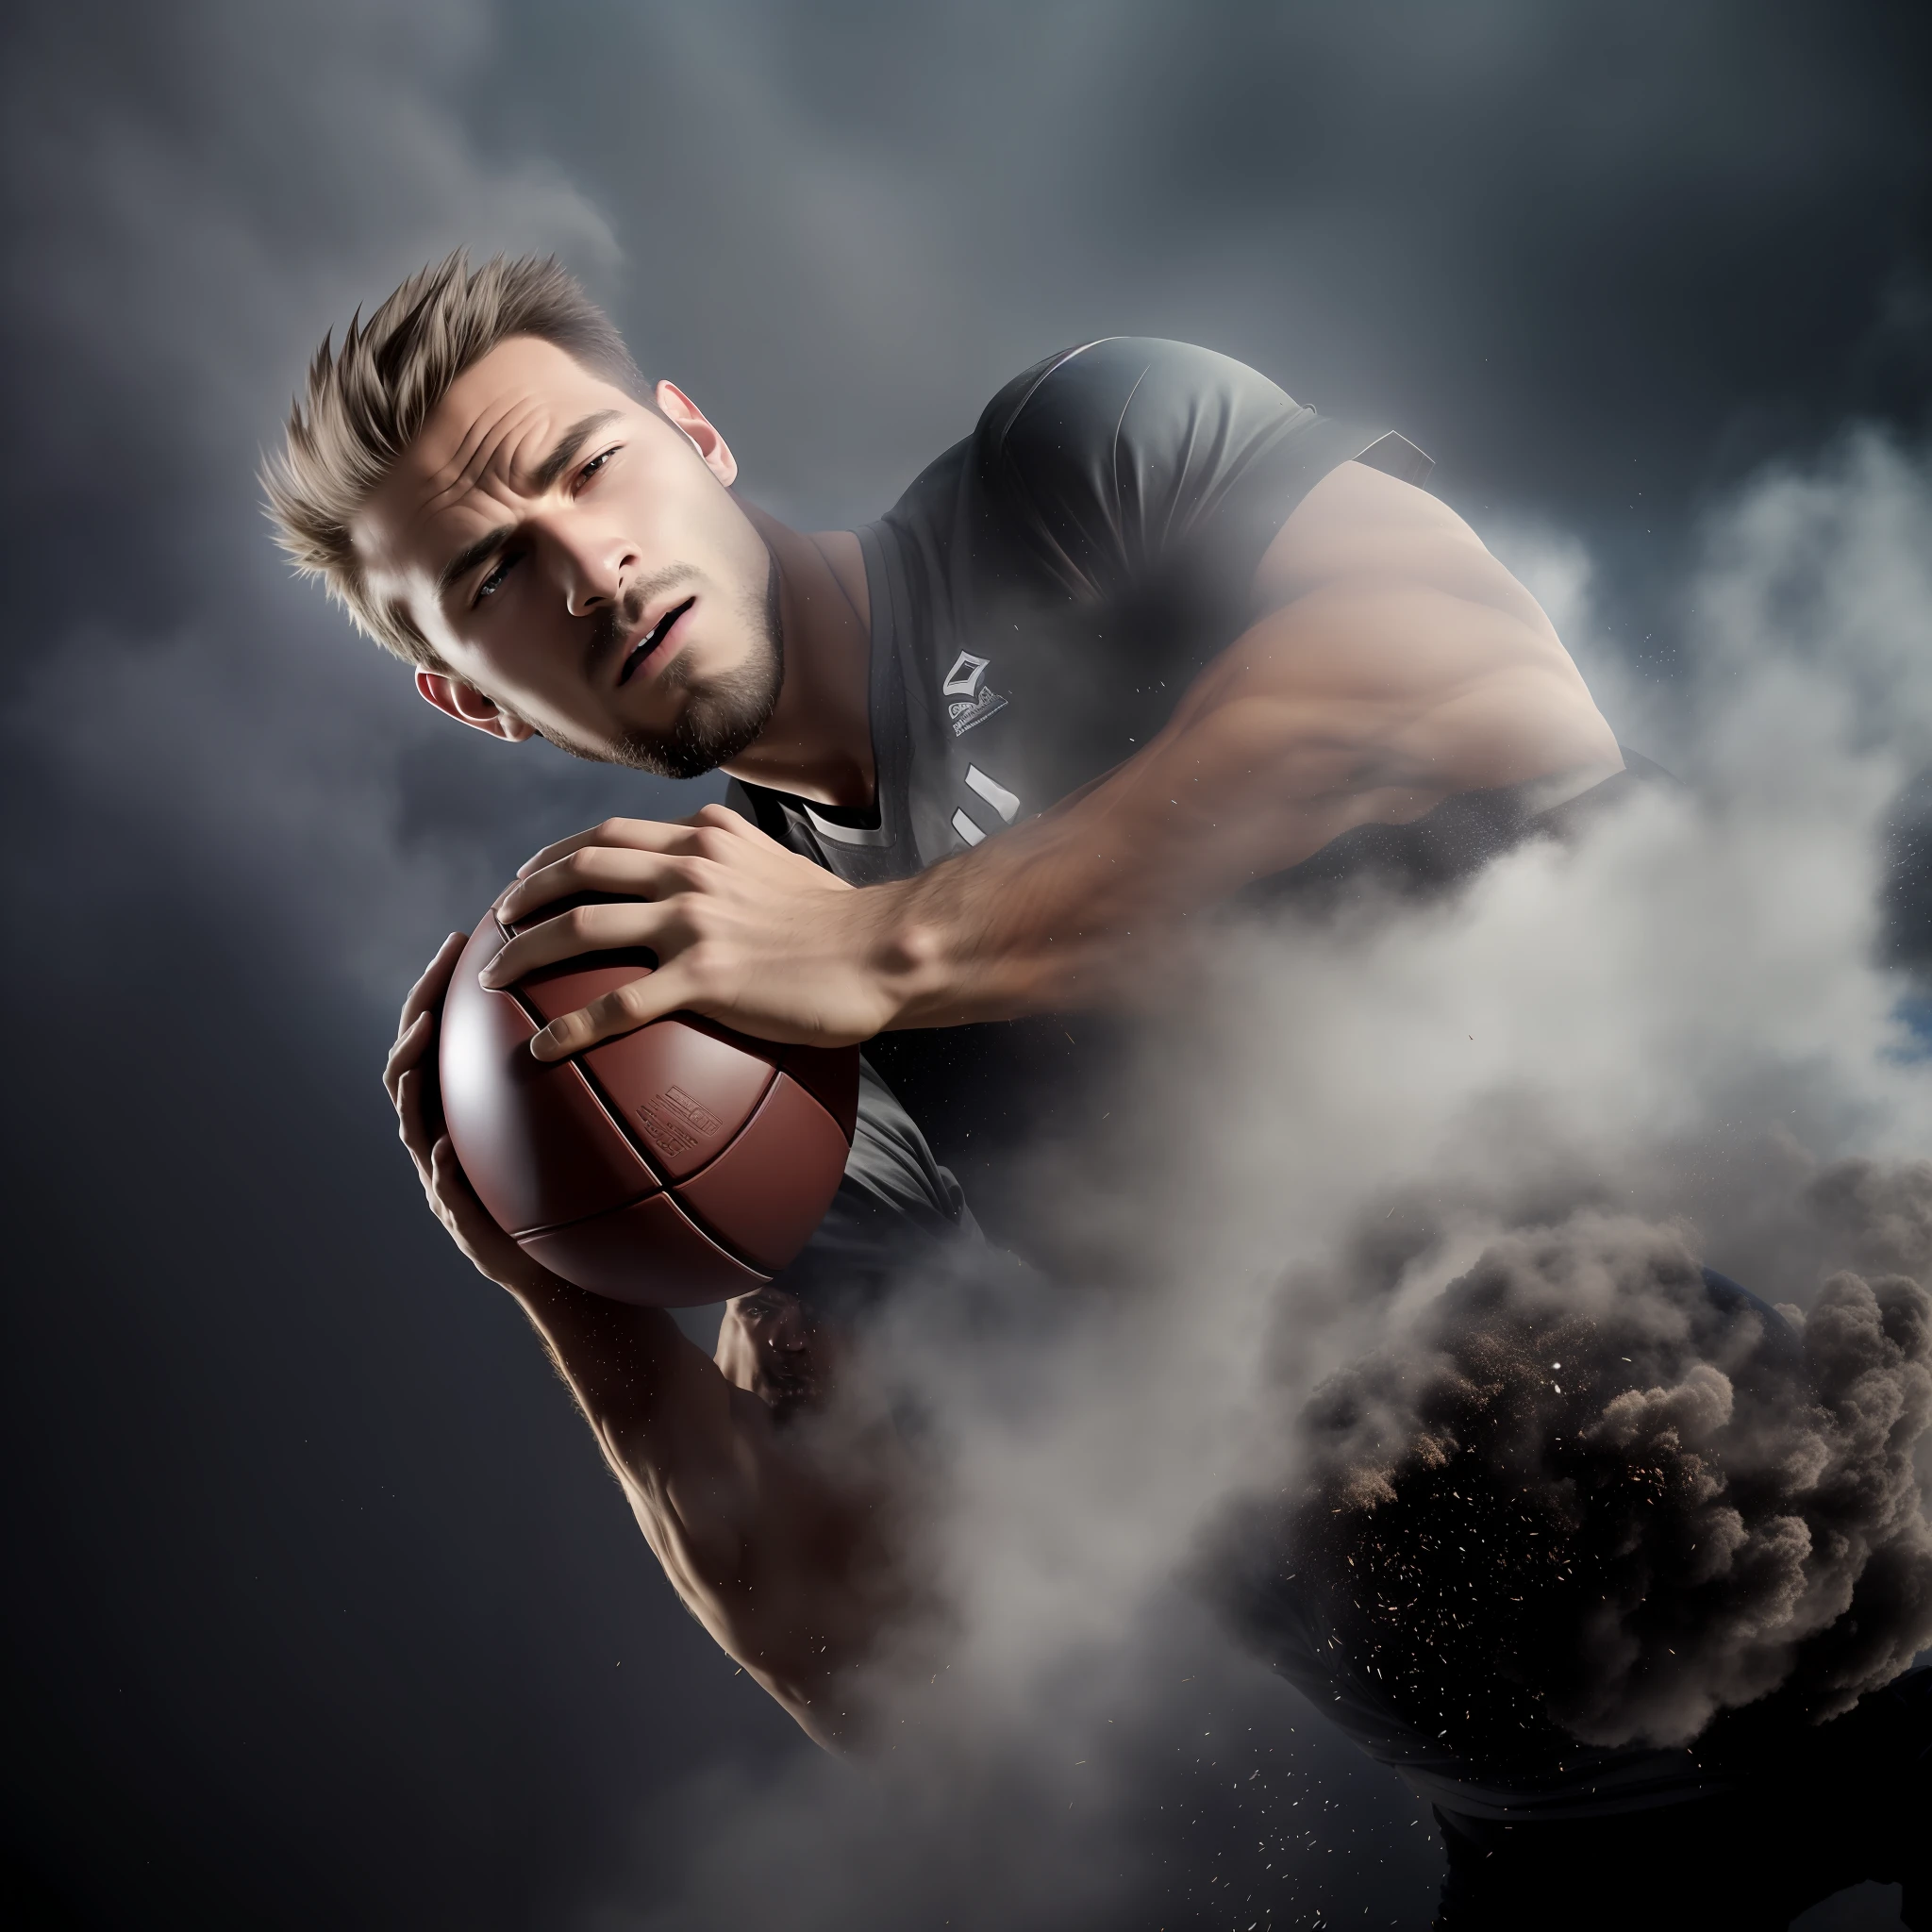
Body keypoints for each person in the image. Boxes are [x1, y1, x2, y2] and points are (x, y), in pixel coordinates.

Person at [269, 251, 1627, 1737]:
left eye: (590, 469)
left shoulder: (1063, 468)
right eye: (493, 575)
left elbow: (1476, 685)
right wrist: (563, 1287)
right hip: (1531, 1736)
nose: (589, 569)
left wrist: (883, 950)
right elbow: (868, 1665)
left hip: (1797, 1398)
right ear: (470, 694)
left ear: (695, 437)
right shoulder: (730, 1031)